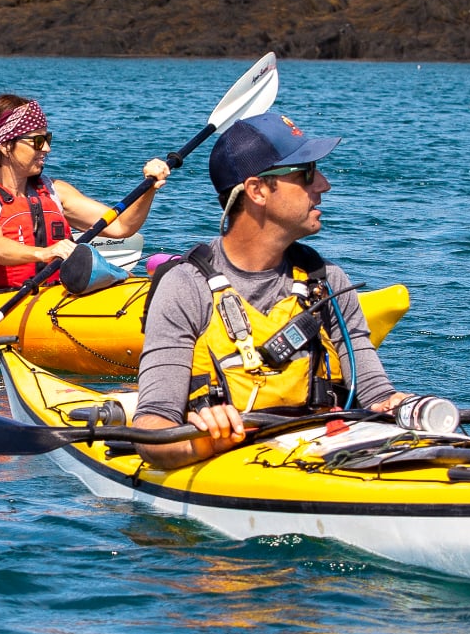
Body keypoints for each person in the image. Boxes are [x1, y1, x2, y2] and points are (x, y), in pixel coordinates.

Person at [131, 111, 419, 469]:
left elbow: (377, 394)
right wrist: (201, 444)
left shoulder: (328, 281)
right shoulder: (185, 286)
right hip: (231, 464)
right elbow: (152, 429)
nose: (324, 185)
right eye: (307, 173)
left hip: (322, 452)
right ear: (257, 191)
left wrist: (399, 406)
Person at [0, 94, 169, 290]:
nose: (46, 148)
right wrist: (45, 252)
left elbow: (122, 227)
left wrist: (148, 188)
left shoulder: (55, 191)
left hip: (55, 294)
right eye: (37, 141)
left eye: (47, 139)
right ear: (5, 146)